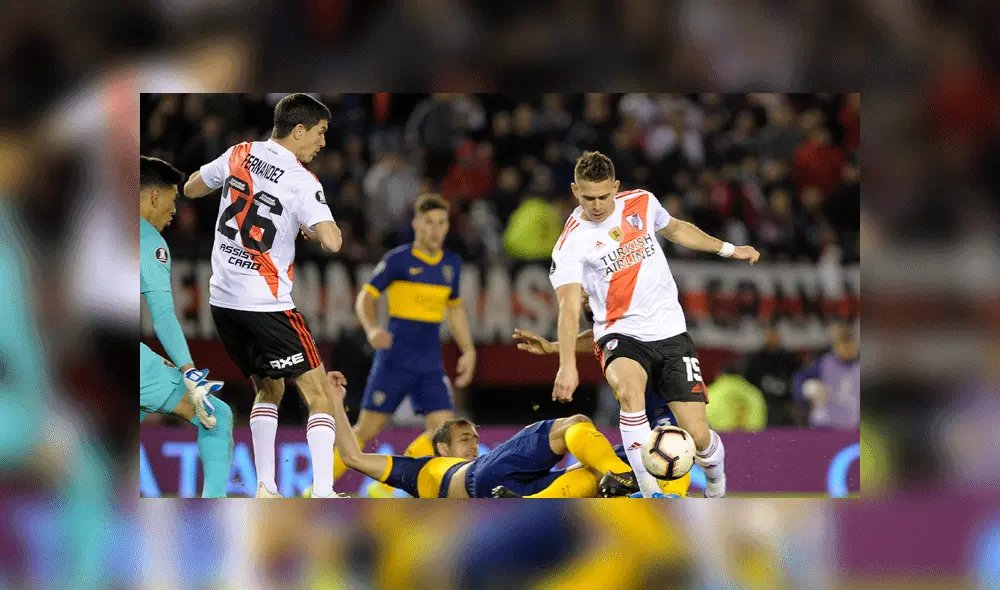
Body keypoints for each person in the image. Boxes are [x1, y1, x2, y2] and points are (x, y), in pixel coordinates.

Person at [548, 151, 760, 498]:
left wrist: (728, 249)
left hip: (670, 332)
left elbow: (676, 230)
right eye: (589, 198)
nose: (598, 205)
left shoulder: (642, 203)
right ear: (575, 191)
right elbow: (569, 308)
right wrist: (566, 366)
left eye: (604, 196)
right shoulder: (570, 244)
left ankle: (718, 491)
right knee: (628, 393)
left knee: (700, 436)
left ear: (616, 187)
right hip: (619, 332)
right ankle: (649, 495)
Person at [183, 93, 346, 498]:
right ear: (299, 130)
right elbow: (334, 242)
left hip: (222, 301)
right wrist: (311, 227)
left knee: (268, 388)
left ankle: (266, 487)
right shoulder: (301, 180)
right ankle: (324, 491)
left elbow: (191, 188)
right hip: (266, 304)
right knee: (319, 393)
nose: (323, 143)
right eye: (321, 133)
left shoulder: (240, 152)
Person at [332, 194, 476, 493]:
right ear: (416, 225)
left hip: (429, 364)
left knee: (442, 433)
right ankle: (316, 487)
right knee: (366, 431)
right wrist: (372, 330)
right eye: (429, 223)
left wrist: (468, 349)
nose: (435, 230)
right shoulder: (398, 260)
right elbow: (366, 298)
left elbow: (455, 309)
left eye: (441, 223)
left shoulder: (451, 264)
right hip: (394, 360)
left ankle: (384, 489)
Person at [325, 372, 639, 498]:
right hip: (482, 477)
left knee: (592, 478)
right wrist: (337, 403)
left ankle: (636, 463)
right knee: (575, 422)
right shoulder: (418, 470)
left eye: (475, 439)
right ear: (443, 448)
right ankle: (624, 467)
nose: (474, 444)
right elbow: (352, 457)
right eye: (464, 439)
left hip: (507, 493)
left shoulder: (426, 483)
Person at [139, 156, 234, 497]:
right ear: (154, 197)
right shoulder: (148, 240)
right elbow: (163, 316)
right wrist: (190, 374)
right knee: (216, 415)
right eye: (173, 197)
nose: (174, 209)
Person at [512, 326, 691, 498]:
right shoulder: (609, 325)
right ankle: (531, 501)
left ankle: (675, 497)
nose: (584, 301)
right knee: (599, 472)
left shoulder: (631, 309)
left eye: (585, 297)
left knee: (668, 451)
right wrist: (554, 347)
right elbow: (601, 337)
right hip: (640, 424)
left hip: (665, 410)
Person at [792, 322, 860, 429]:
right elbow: (799, 378)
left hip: (850, 426)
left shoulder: (858, 368)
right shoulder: (825, 363)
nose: (846, 349)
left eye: (849, 344)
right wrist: (808, 391)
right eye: (842, 345)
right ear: (836, 346)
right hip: (824, 425)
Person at [743, 326, 801, 426]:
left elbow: (797, 381)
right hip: (762, 404)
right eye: (769, 335)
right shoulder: (755, 360)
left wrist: (793, 401)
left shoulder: (790, 359)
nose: (772, 338)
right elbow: (748, 385)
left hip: (785, 405)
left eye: (775, 335)